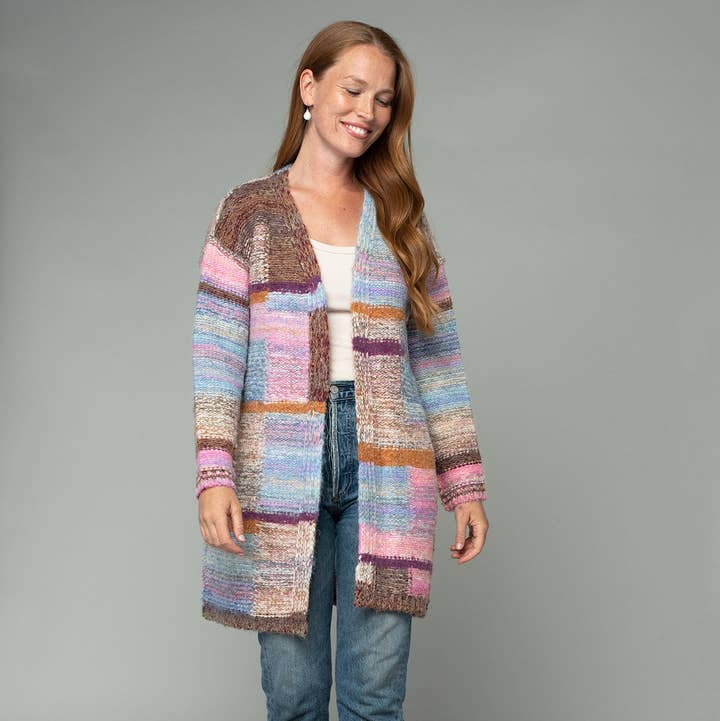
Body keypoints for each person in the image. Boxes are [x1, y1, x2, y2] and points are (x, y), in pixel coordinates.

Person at [192, 19, 490, 721]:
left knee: (375, 698)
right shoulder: (249, 212)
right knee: (293, 696)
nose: (367, 111)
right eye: (353, 90)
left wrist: (464, 483)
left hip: (389, 461)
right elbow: (216, 354)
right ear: (309, 87)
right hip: (277, 462)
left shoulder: (399, 218)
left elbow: (438, 361)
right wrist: (214, 473)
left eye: (383, 100)